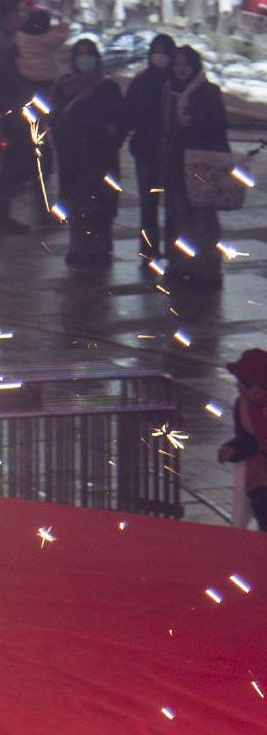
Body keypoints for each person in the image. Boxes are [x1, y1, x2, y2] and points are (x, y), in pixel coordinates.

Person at [52, 39, 127, 269]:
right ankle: (79, 248)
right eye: (80, 55)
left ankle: (100, 249)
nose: (84, 59)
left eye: (89, 54)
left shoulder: (108, 87)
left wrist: (111, 135)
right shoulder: (64, 86)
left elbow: (121, 121)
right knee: (77, 203)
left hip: (102, 156)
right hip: (74, 157)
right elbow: (56, 119)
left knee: (102, 204)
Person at [163, 45, 228, 287]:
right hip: (178, 163)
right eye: (177, 65)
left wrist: (193, 122)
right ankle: (188, 263)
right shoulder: (171, 91)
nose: (181, 70)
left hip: (202, 165)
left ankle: (209, 270)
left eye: (186, 65)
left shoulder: (208, 91)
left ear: (195, 66)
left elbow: (219, 124)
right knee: (184, 217)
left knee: (204, 218)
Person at [0, 0, 38, 236]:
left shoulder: (8, 41)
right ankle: (0, 217)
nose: (22, 17)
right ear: (8, 15)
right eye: (19, 12)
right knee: (15, 163)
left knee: (17, 164)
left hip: (14, 108)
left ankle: (2, 215)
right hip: (13, 110)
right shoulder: (6, 45)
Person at [122, 34, 175, 266]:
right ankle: (149, 251)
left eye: (164, 51)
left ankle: (175, 253)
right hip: (147, 151)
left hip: (173, 153)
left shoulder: (177, 81)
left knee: (174, 206)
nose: (160, 56)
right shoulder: (141, 82)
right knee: (149, 205)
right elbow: (129, 114)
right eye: (156, 50)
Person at [218, 347, 267, 530]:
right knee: (260, 498)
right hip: (261, 471)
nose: (240, 389)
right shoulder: (242, 406)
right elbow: (246, 439)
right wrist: (232, 450)